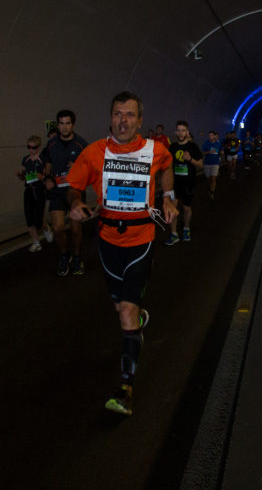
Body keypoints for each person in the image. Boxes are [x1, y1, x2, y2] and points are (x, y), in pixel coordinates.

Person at [66, 91, 178, 416]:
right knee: (120, 308)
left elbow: (168, 165)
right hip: (106, 241)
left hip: (141, 240)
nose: (123, 120)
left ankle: (126, 389)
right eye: (118, 114)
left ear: (140, 120)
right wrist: (74, 203)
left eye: (129, 115)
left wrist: (168, 197)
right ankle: (136, 318)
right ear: (110, 117)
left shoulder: (155, 150)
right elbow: (74, 186)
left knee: (127, 311)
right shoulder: (93, 152)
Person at [44, 110, 88, 276]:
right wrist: (47, 178)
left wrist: (78, 167)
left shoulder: (82, 144)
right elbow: (48, 162)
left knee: (76, 229)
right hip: (57, 192)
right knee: (58, 228)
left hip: (75, 192)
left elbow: (90, 168)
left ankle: (77, 257)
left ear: (73, 124)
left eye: (67, 123)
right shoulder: (51, 144)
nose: (64, 127)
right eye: (61, 123)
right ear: (58, 125)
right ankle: (64, 255)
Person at [165, 121, 203, 244]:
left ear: (187, 132)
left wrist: (190, 159)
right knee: (173, 208)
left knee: (186, 209)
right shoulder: (173, 147)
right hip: (175, 184)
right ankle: (174, 234)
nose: (181, 133)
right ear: (176, 132)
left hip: (189, 183)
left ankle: (186, 228)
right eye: (179, 130)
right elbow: (168, 166)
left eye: (183, 130)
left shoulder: (193, 147)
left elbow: (200, 165)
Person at [16, 135, 53, 252]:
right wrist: (20, 175)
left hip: (39, 191)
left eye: (33, 147)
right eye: (29, 147)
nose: (31, 150)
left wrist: (41, 177)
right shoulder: (26, 160)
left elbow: (47, 177)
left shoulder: (43, 160)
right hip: (29, 190)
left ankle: (46, 228)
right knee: (29, 219)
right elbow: (24, 177)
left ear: (38, 148)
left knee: (37, 220)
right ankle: (36, 242)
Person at [201, 131, 223, 200]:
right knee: (209, 179)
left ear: (214, 136)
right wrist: (208, 152)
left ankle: (212, 192)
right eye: (209, 135)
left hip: (215, 163)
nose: (210, 137)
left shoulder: (218, 143)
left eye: (211, 135)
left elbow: (221, 150)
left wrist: (222, 152)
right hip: (207, 163)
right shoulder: (206, 143)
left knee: (213, 178)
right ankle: (209, 188)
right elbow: (203, 153)